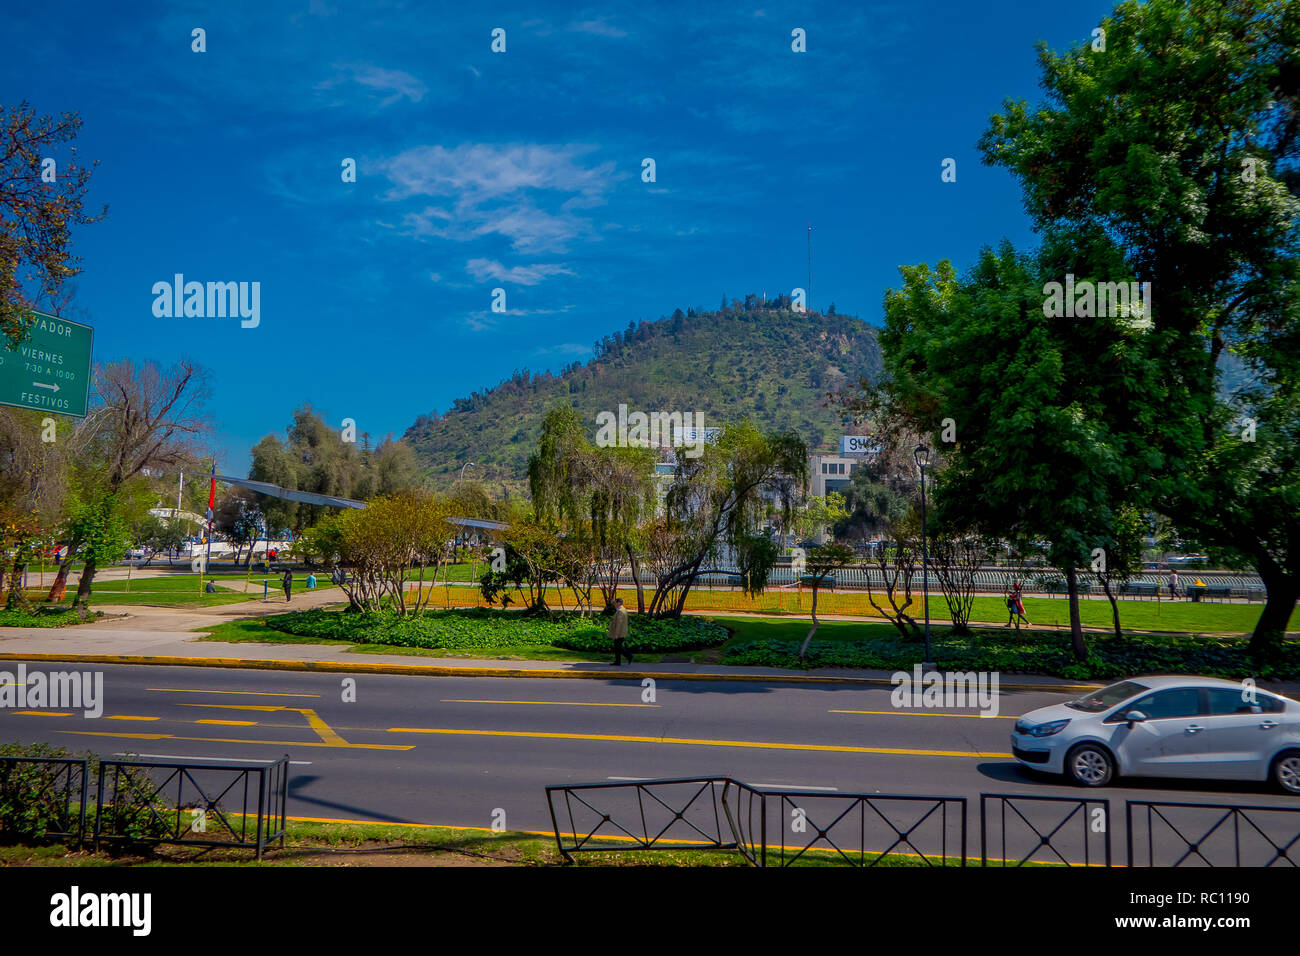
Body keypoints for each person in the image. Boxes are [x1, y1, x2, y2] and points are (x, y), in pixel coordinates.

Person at [608, 598, 632, 665]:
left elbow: (619, 623)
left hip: (620, 633)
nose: (614, 605)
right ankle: (618, 662)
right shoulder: (623, 610)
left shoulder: (620, 611)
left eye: (615, 603)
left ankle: (629, 655)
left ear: (618, 603)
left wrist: (617, 634)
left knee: (618, 647)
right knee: (617, 647)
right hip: (621, 632)